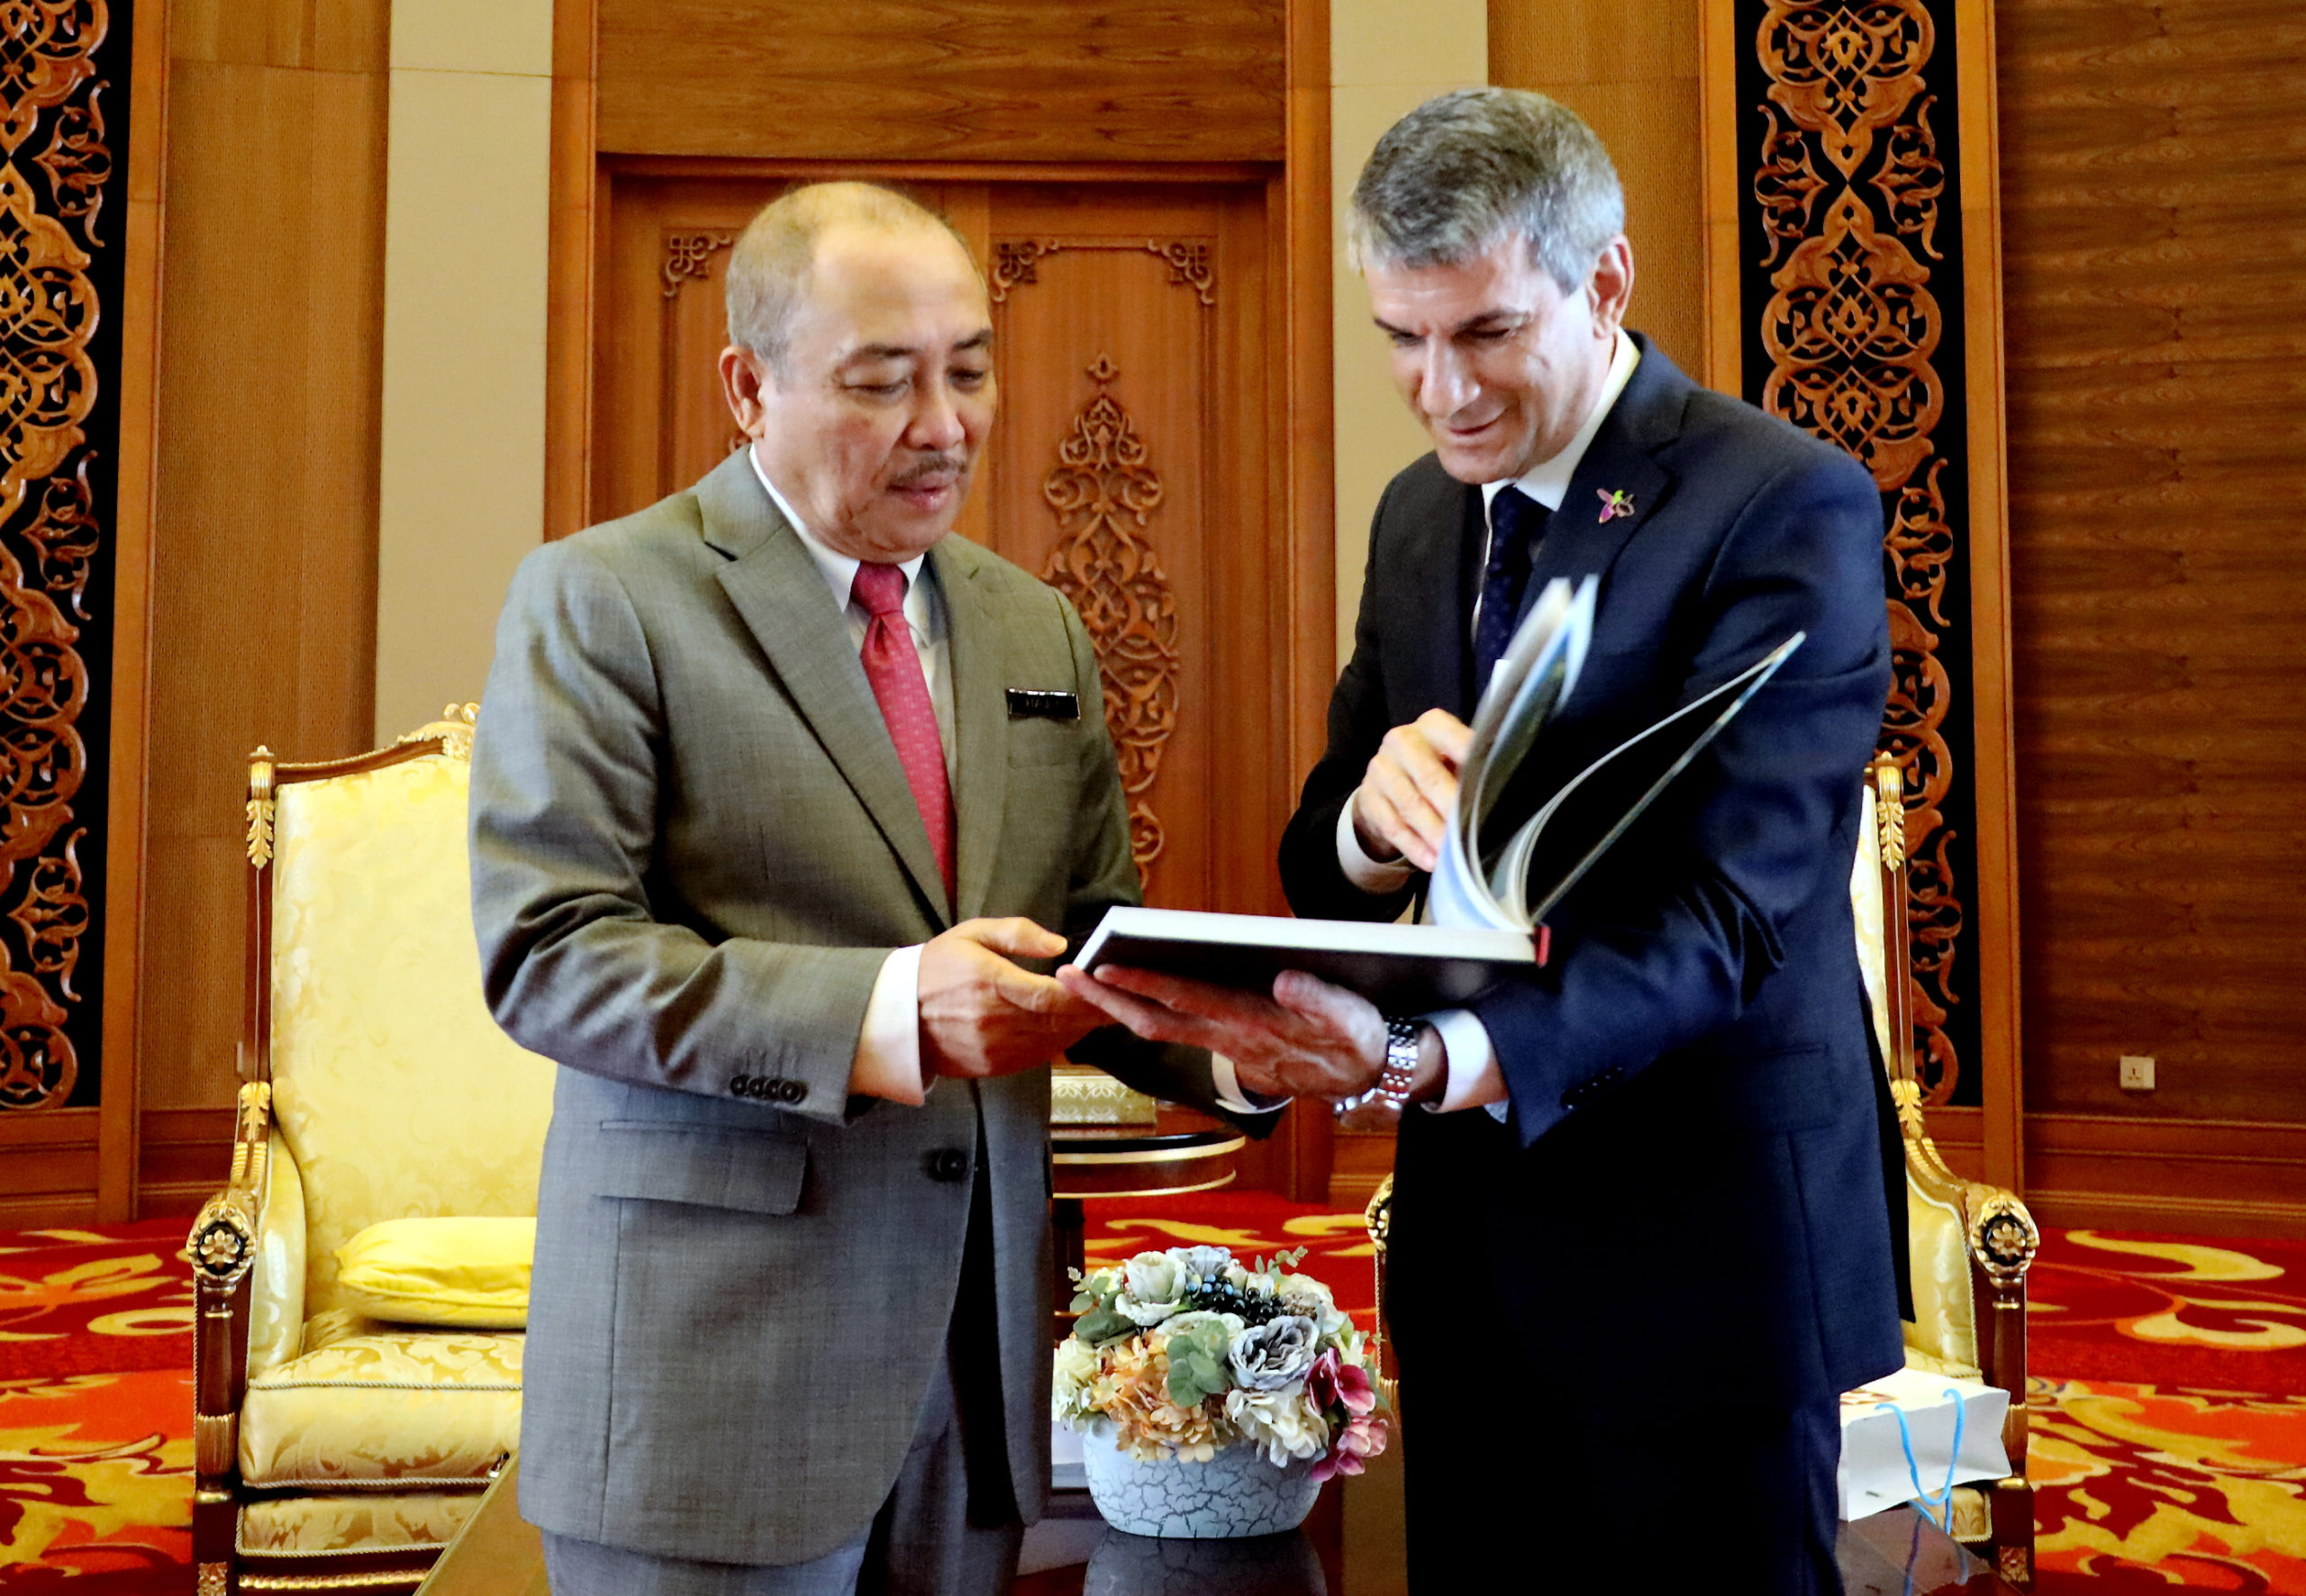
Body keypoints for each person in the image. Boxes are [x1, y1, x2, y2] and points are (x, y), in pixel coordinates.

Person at [1059, 90, 1904, 1591]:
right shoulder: (1417, 515)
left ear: (1606, 281)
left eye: (1488, 334)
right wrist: (1370, 827)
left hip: (1704, 1248)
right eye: (1403, 337)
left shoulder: (1780, 502)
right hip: (1473, 1247)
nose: (1440, 391)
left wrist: (1427, 1060)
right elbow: (1321, 852)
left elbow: (1733, 915)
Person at [469, 182, 1262, 1596]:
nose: (943, 425)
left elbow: (1088, 941)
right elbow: (551, 955)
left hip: (975, 1382)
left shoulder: (1033, 629)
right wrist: (892, 1010)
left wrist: (1258, 1046)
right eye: (883, 382)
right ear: (747, 388)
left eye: (969, 371)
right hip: (713, 1384)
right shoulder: (606, 600)